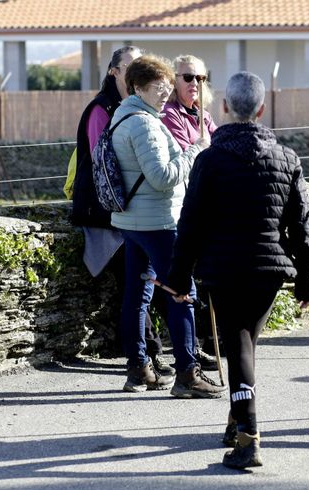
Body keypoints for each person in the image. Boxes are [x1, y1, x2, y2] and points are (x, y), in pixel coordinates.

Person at [169, 71, 309, 470]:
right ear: (262, 109)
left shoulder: (210, 160)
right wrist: (308, 278)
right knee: (246, 345)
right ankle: (236, 420)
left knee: (239, 350)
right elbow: (302, 225)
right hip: (268, 269)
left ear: (225, 108)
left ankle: (248, 440)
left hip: (224, 268)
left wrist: (178, 277)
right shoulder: (287, 159)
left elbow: (191, 223)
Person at [110, 54, 223, 398]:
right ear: (138, 87)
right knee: (182, 294)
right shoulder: (144, 123)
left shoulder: (123, 115)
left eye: (166, 88)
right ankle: (188, 374)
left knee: (137, 295)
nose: (165, 94)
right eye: (158, 89)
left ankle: (139, 370)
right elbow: (162, 178)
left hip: (132, 221)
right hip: (157, 222)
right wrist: (194, 151)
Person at [69, 46, 174, 376]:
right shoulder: (101, 110)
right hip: (107, 214)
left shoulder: (135, 109)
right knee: (138, 288)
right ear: (114, 72)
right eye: (130, 67)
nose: (136, 71)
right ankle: (147, 357)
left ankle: (149, 357)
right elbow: (109, 163)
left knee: (145, 286)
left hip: (129, 211)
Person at [161, 54, 219, 370]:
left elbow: (217, 150)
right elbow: (193, 159)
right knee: (184, 284)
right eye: (187, 77)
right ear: (174, 81)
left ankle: (206, 342)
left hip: (207, 204)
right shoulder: (169, 115)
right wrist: (205, 147)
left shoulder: (203, 115)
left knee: (204, 279)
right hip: (184, 207)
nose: (194, 83)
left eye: (200, 77)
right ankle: (189, 349)